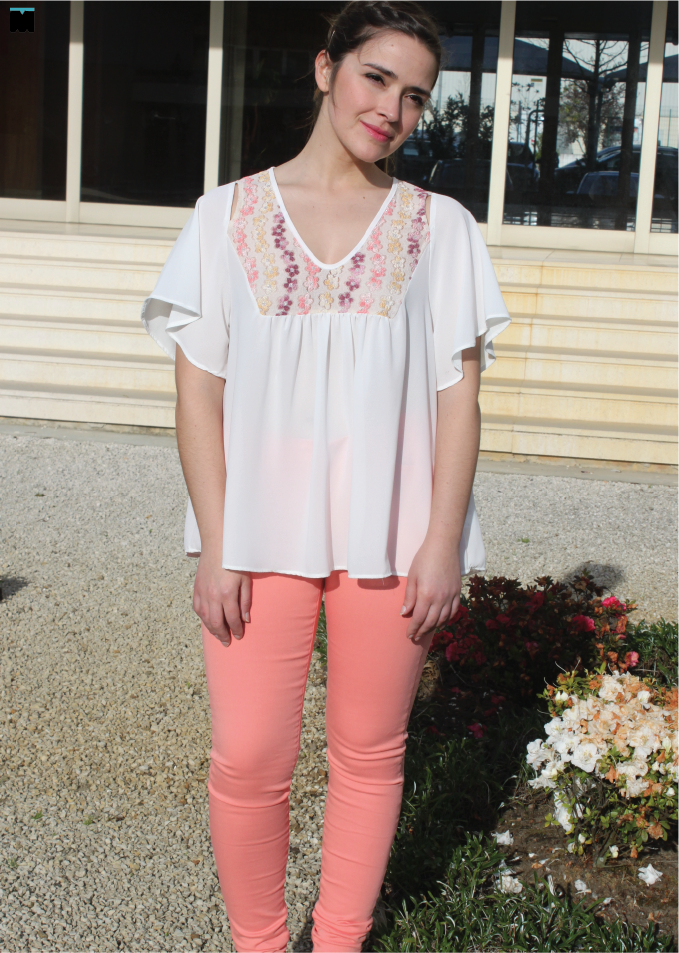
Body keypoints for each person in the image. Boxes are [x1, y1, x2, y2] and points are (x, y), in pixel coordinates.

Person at [141, 2, 511, 949]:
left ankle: (339, 938)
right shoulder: (225, 216)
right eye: (376, 77)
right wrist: (216, 541)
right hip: (255, 533)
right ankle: (260, 942)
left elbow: (458, 399)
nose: (392, 109)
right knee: (247, 757)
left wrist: (442, 542)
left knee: (370, 753)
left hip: (392, 538)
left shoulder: (441, 228)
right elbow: (198, 392)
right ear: (324, 69)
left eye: (416, 95)